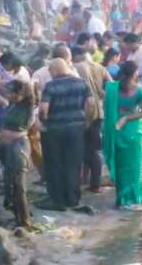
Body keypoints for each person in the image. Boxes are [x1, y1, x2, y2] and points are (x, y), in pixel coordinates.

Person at [37, 59, 93, 211]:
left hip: (54, 129)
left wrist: (43, 122)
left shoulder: (51, 86)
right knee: (73, 164)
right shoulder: (82, 83)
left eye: (51, 72)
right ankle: (72, 199)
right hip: (76, 128)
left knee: (54, 164)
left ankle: (57, 200)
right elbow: (91, 104)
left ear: (55, 70)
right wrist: (87, 121)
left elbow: (44, 109)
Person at [102, 61, 142, 210]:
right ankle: (133, 199)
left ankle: (123, 200)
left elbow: (106, 108)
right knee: (133, 168)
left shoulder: (111, 89)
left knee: (122, 167)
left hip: (120, 131)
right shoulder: (139, 90)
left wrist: (124, 118)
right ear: (135, 74)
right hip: (131, 133)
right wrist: (128, 117)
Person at [72, 46, 111, 194]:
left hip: (84, 112)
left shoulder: (76, 68)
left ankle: (89, 181)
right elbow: (111, 84)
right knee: (92, 149)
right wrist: (103, 95)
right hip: (98, 112)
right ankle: (92, 182)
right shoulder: (99, 67)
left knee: (85, 149)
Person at [0, 80, 34, 227]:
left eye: (11, 93)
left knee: (18, 185)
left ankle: (25, 220)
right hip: (7, 147)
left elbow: (30, 124)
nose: (8, 95)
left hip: (19, 148)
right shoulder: (12, 104)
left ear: (21, 94)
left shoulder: (27, 107)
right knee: (8, 183)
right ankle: (16, 215)